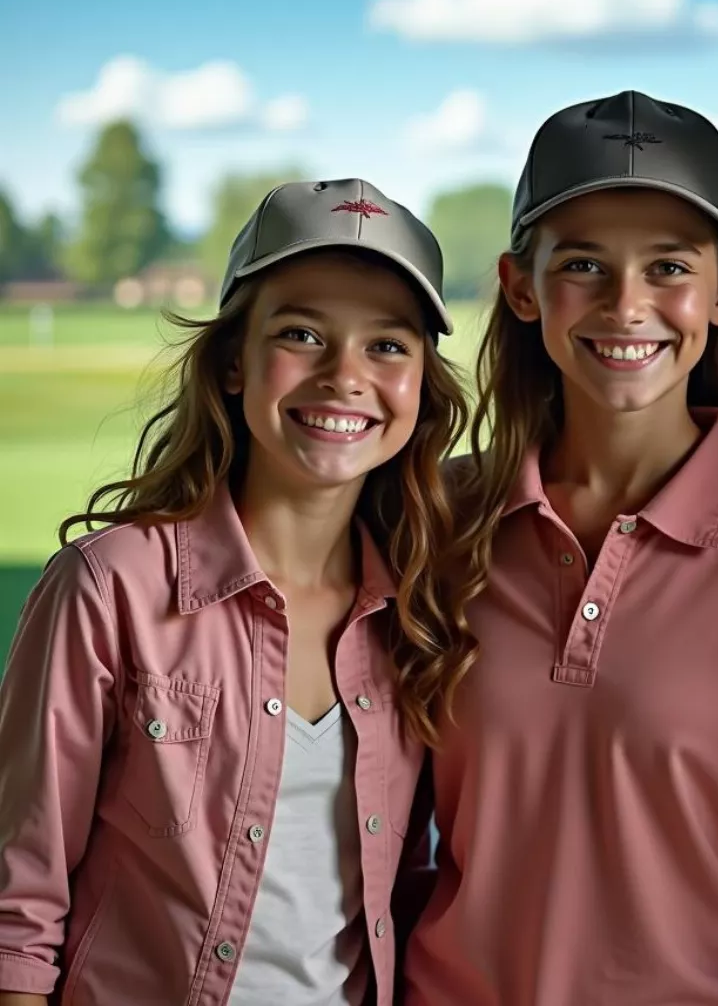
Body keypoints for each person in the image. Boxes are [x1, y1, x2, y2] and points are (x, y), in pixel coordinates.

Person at [403, 89, 718, 1006]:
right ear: (520, 285)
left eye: (668, 268)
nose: (628, 305)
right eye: (584, 264)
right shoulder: (440, 519)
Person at [0, 178, 475, 1006]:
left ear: (422, 384)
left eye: (388, 346)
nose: (346, 376)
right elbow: (19, 899)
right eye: (300, 333)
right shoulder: (108, 589)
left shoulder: (420, 613)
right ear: (231, 361)